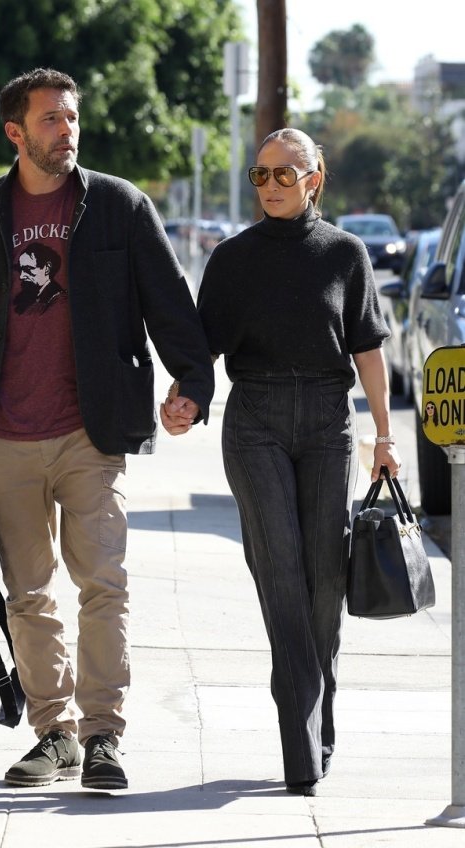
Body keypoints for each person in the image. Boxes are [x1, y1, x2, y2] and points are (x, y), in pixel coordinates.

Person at [0, 67, 214, 790]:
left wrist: (193, 381)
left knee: (103, 586)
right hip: (1, 434)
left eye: (71, 117)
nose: (66, 129)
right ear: (15, 132)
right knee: (28, 594)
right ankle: (51, 732)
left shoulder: (117, 205)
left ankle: (102, 736)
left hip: (92, 430)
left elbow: (167, 300)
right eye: (51, 119)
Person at [163, 127, 401, 796]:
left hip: (327, 420)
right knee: (279, 574)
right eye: (259, 175)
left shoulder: (344, 254)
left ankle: (316, 705)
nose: (270, 185)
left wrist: (383, 435)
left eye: (283, 174)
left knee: (324, 579)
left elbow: (368, 352)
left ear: (313, 179)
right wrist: (181, 400)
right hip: (256, 421)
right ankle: (301, 742)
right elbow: (201, 353)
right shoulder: (232, 259)